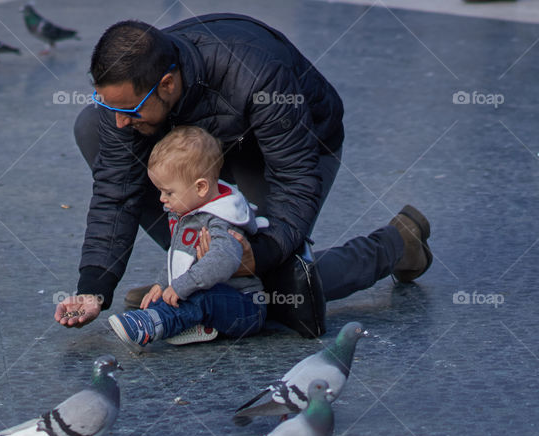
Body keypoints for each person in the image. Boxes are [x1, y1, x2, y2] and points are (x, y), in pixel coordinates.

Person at [53, 14, 432, 330]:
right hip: (201, 150)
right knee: (92, 128)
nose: (120, 121)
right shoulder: (129, 93)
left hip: (290, 151)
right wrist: (95, 288)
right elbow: (116, 193)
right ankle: (194, 278)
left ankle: (398, 243)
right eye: (110, 105)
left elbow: (296, 181)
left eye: (131, 111)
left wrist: (256, 254)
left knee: (271, 287)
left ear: (167, 84)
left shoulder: (256, 73)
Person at [108, 126, 266, 347]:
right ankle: (174, 321)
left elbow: (223, 261)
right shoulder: (188, 213)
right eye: (161, 191)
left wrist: (182, 286)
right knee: (164, 298)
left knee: (201, 297)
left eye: (169, 192)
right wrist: (161, 284)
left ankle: (151, 325)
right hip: (214, 300)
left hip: (244, 308)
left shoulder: (220, 219)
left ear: (201, 187)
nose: (162, 199)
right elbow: (178, 255)